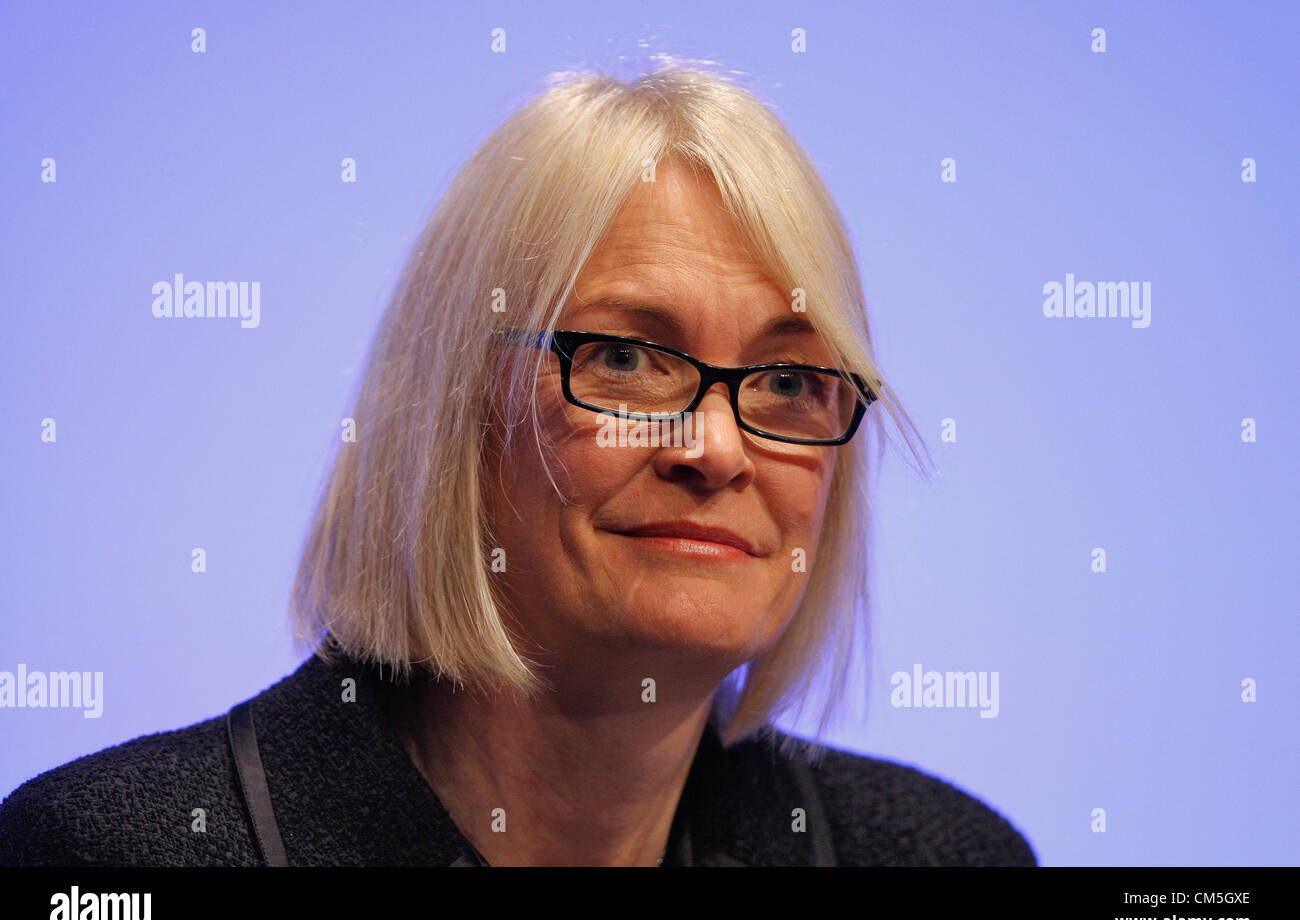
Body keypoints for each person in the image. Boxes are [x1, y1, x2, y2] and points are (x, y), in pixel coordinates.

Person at [0, 63, 1035, 867]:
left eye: (787, 381)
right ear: (452, 410)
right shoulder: (109, 856)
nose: (715, 448)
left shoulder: (946, 855)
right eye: (625, 357)